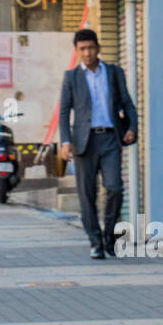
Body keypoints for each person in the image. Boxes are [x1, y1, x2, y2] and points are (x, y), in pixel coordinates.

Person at [58, 29, 137, 259]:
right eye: (82, 49)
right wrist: (65, 141)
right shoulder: (71, 77)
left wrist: (132, 127)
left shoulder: (113, 73)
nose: (87, 53)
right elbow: (64, 112)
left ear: (98, 48)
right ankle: (95, 242)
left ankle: (109, 236)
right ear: (77, 51)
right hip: (84, 142)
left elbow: (128, 104)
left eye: (91, 48)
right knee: (87, 195)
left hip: (111, 138)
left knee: (115, 189)